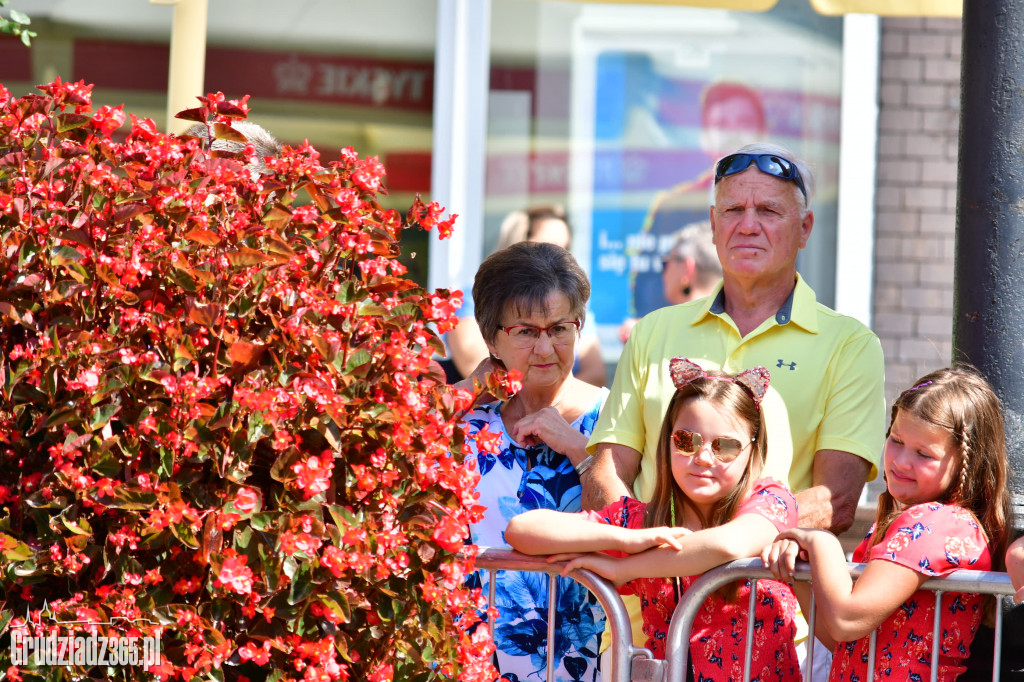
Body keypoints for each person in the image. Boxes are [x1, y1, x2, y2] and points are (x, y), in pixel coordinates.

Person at [585, 142, 886, 674]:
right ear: (713, 222)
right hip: (641, 634)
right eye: (734, 211)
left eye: (768, 211)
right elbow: (608, 468)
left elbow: (837, 502)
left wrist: (721, 549)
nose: (748, 225)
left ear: (805, 228)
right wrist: (645, 550)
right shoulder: (655, 329)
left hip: (767, 636)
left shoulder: (850, 345)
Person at [506, 359, 802, 681]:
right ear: (668, 442)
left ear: (752, 451)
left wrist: (625, 568)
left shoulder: (773, 500)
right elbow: (522, 530)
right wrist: (626, 540)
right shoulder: (642, 522)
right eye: (687, 441)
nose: (703, 457)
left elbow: (728, 544)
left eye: (725, 447)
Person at [762, 366, 1012, 682]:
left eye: (924, 453)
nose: (901, 460)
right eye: (895, 439)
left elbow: (846, 620)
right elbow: (841, 638)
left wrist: (820, 542)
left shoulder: (937, 523)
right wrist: (800, 566)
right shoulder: (906, 522)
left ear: (967, 462)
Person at [462, 241, 610, 682]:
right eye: (526, 331)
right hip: (465, 659)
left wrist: (576, 448)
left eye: (560, 327)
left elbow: (627, 523)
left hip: (573, 664)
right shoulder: (466, 423)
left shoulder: (612, 418)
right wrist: (469, 388)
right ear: (492, 338)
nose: (546, 347)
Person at [631, 82, 766, 318]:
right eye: (721, 125)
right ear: (705, 137)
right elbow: (645, 290)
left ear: (762, 134)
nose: (732, 134)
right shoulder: (671, 206)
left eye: (743, 122)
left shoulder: (782, 208)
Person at [445, 205, 606, 387]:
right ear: (517, 241)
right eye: (525, 331)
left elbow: (595, 374)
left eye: (559, 329)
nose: (556, 253)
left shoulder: (570, 301)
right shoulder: (471, 300)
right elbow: (474, 365)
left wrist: (557, 404)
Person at [619, 219, 721, 342]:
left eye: (665, 263)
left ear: (687, 269)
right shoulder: (739, 326)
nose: (663, 274)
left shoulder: (654, 335)